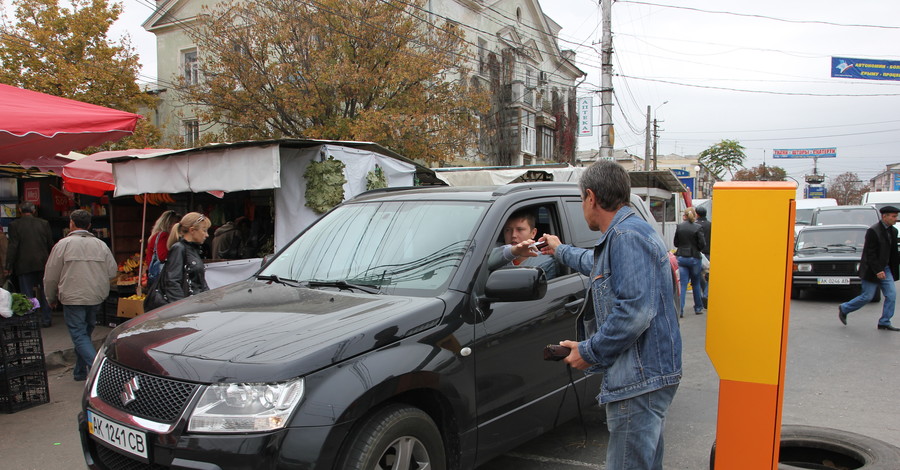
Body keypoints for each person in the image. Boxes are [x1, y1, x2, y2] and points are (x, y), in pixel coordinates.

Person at [540, 161, 682, 470]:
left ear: (590, 197)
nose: (582, 207)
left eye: (581, 200)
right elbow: (599, 265)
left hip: (640, 380)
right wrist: (560, 250)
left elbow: (634, 311)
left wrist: (588, 351)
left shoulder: (626, 237)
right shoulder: (628, 232)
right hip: (648, 377)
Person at [43, 210, 118, 381]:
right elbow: (112, 271)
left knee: (79, 334)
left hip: (73, 296)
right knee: (84, 333)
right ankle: (79, 372)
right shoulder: (101, 245)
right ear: (89, 226)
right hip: (96, 295)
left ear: (71, 223)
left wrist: (50, 298)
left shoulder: (63, 244)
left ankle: (99, 370)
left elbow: (51, 276)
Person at [838, 205, 900, 331]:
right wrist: (878, 270)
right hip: (872, 269)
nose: (896, 219)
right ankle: (845, 308)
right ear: (884, 216)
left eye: (896, 216)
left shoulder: (893, 231)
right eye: (893, 216)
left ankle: (884, 322)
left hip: (886, 268)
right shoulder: (873, 231)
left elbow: (894, 252)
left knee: (891, 295)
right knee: (867, 296)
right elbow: (869, 254)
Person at [4, 202, 54, 327]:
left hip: (24, 264)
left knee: (27, 294)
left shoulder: (14, 225)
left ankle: (31, 320)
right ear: (34, 210)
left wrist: (8, 266)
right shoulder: (44, 223)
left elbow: (13, 247)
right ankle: (46, 319)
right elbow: (50, 244)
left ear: (20, 210)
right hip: (43, 263)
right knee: (45, 292)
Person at [487, 209, 558, 280]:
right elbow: (486, 262)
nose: (513, 235)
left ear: (533, 233)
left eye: (520, 229)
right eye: (508, 230)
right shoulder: (492, 250)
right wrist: (515, 251)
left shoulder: (544, 262)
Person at [162, 212, 211, 302]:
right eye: (204, 230)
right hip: (186, 307)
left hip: (195, 305)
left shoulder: (193, 250)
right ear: (192, 230)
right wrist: (181, 308)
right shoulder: (179, 249)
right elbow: (172, 282)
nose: (207, 235)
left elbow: (200, 282)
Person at [674, 207, 707, 316]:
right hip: (694, 258)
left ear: (685, 215)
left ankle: (681, 310)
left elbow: (676, 243)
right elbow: (702, 244)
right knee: (696, 283)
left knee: (683, 284)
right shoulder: (698, 227)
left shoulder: (680, 227)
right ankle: (698, 307)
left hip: (682, 257)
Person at [144, 210, 180, 285]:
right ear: (169, 224)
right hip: (161, 278)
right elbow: (163, 256)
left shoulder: (156, 235)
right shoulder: (163, 236)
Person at [695, 205, 712, 306]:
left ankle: (703, 294)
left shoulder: (695, 225)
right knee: (709, 275)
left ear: (697, 214)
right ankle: (706, 294)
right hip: (709, 253)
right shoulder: (710, 225)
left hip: (699, 254)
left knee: (698, 275)